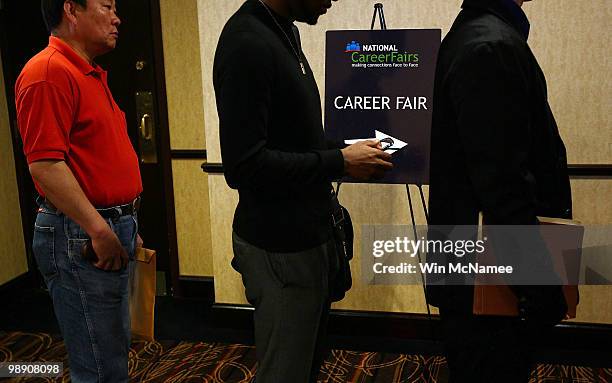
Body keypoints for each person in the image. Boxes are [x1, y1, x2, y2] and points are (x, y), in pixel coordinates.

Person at [213, 0, 393, 381]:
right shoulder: (247, 42)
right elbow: (244, 166)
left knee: (306, 365)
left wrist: (349, 151)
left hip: (309, 237)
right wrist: (340, 162)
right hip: (279, 246)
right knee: (285, 371)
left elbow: (296, 138)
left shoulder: (285, 31)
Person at [428, 0, 572, 381]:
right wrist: (539, 281)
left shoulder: (479, 35)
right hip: (488, 276)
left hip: (478, 266)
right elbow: (500, 183)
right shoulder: (489, 45)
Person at [15, 0, 142, 381]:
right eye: (107, 6)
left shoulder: (86, 72)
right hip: (81, 234)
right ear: (71, 9)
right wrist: (101, 229)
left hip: (105, 226)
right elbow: (45, 165)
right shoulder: (47, 72)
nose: (117, 17)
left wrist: (126, 222)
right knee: (99, 366)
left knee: (112, 352)